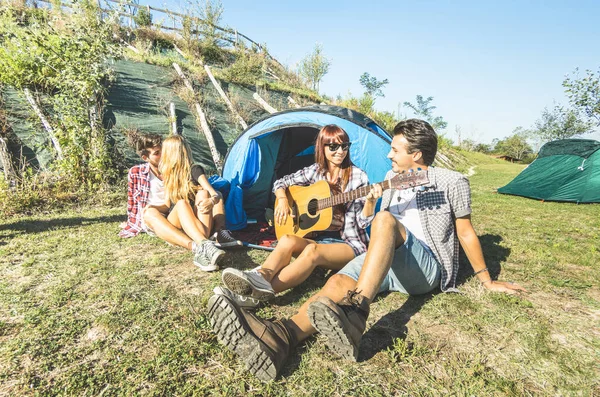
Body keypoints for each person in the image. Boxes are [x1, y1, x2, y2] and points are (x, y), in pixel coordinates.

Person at [207, 119, 526, 381]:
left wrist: (487, 280)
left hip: (426, 267)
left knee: (386, 223)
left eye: (395, 150)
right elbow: (374, 219)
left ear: (415, 154)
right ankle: (281, 337)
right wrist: (371, 199)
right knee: (335, 284)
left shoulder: (451, 181)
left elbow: (466, 232)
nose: (388, 156)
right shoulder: (391, 178)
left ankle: (357, 310)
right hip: (386, 258)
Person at [219, 124, 373, 306]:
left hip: (348, 244)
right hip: (317, 236)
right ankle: (261, 276)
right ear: (322, 147)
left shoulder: (358, 177)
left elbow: (363, 222)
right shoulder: (316, 171)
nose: (340, 151)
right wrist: (283, 199)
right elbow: (281, 182)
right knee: (287, 240)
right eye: (333, 146)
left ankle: (252, 296)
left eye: (344, 146)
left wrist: (370, 201)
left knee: (312, 251)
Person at [119, 133, 236, 271]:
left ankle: (207, 241)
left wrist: (211, 199)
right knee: (157, 210)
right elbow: (137, 203)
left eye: (163, 151)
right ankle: (201, 245)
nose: (162, 155)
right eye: (157, 153)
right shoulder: (138, 172)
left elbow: (212, 193)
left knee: (194, 197)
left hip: (185, 215)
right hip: (162, 217)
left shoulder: (180, 171)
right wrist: (139, 217)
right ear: (146, 158)